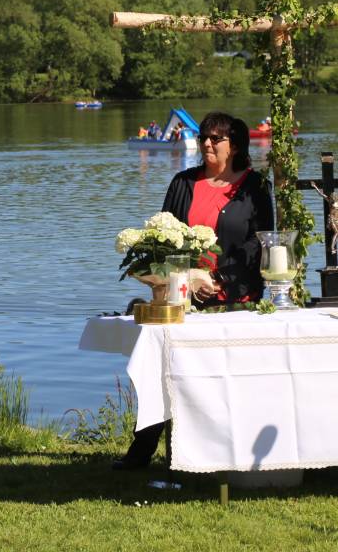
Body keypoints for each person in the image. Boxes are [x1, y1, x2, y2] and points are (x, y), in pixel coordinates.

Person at [113, 111, 274, 471]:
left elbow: (258, 246)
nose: (206, 144)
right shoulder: (183, 182)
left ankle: (226, 456)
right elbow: (162, 237)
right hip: (181, 298)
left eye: (216, 138)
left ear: (235, 146)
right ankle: (145, 451)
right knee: (162, 373)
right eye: (203, 137)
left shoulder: (255, 187)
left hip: (235, 301)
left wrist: (221, 282)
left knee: (224, 384)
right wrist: (184, 279)